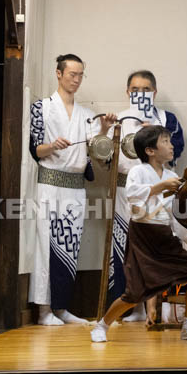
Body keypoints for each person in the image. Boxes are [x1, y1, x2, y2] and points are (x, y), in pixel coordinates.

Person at [91, 125, 187, 342]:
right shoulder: (138, 172)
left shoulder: (172, 175)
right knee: (134, 294)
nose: (171, 145)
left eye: (169, 141)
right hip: (143, 235)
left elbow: (178, 212)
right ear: (150, 151)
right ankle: (102, 325)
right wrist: (161, 186)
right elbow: (132, 196)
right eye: (165, 141)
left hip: (165, 236)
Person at [28, 54, 115, 326]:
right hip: (49, 184)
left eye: (80, 75)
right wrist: (53, 146)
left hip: (75, 189)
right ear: (58, 74)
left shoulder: (88, 117)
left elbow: (100, 155)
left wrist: (104, 128)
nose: (76, 79)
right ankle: (43, 311)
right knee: (45, 246)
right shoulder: (41, 107)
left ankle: (62, 309)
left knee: (69, 246)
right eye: (71, 74)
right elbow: (35, 149)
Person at [107, 70, 185, 322]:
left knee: (156, 246)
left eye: (146, 90)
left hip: (160, 188)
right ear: (128, 92)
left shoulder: (166, 118)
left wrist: (158, 134)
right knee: (125, 247)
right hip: (125, 190)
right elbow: (106, 158)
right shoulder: (119, 119)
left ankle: (157, 308)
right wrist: (105, 129)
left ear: (155, 92)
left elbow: (179, 149)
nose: (140, 94)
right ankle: (131, 307)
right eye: (135, 90)